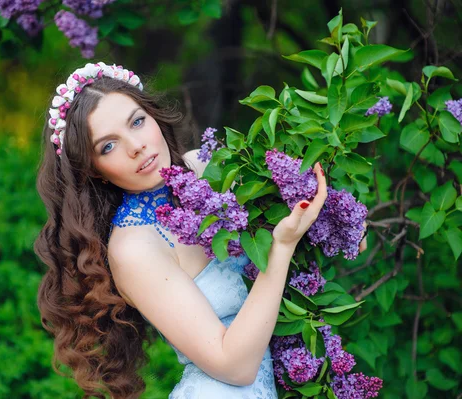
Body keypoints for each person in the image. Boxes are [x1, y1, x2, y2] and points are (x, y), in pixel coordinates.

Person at [34, 62, 364, 399]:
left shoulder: (203, 165)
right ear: (94, 171)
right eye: (108, 146)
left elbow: (310, 223)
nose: (135, 145)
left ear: (153, 116)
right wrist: (282, 247)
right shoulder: (134, 248)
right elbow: (234, 366)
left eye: (137, 122)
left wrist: (340, 220)